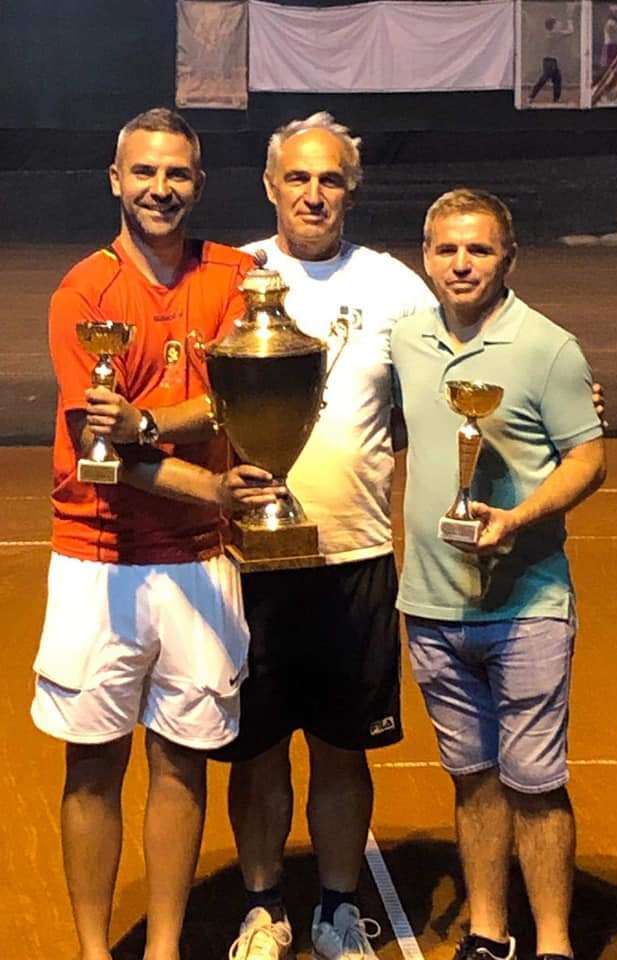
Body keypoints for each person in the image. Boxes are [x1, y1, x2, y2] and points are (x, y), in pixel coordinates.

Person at [30, 108, 281, 960]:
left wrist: (148, 422)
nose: (160, 188)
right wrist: (210, 483)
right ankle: (95, 952)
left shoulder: (237, 277)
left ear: (199, 184)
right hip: (100, 558)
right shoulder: (84, 295)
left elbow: (246, 395)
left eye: (176, 173)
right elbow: (102, 458)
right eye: (144, 172)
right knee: (93, 766)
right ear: (116, 179)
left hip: (201, 560)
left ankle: (165, 949)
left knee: (182, 761)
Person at [213, 112, 438, 960]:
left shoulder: (393, 286)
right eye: (298, 178)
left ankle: (338, 909)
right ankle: (263, 909)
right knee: (258, 749)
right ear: (270, 186)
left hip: (355, 559)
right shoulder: (233, 276)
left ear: (352, 188)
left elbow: (452, 383)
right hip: (250, 559)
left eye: (331, 178)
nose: (314, 193)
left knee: (344, 750)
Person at [390, 189, 606, 960]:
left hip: (528, 605)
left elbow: (588, 457)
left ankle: (554, 942)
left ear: (508, 258)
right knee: (474, 780)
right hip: (431, 606)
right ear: (426, 257)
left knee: (536, 784)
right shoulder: (405, 340)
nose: (462, 263)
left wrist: (516, 519)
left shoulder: (549, 347)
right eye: (447, 249)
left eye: (479, 249)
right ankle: (488, 932)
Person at [529, 16, 574, 104]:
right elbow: (570, 31)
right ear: (554, 25)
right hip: (550, 61)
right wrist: (569, 19)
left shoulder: (553, 33)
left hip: (551, 61)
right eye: (557, 22)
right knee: (544, 79)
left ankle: (556, 99)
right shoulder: (555, 33)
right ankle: (531, 96)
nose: (559, 23)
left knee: (557, 79)